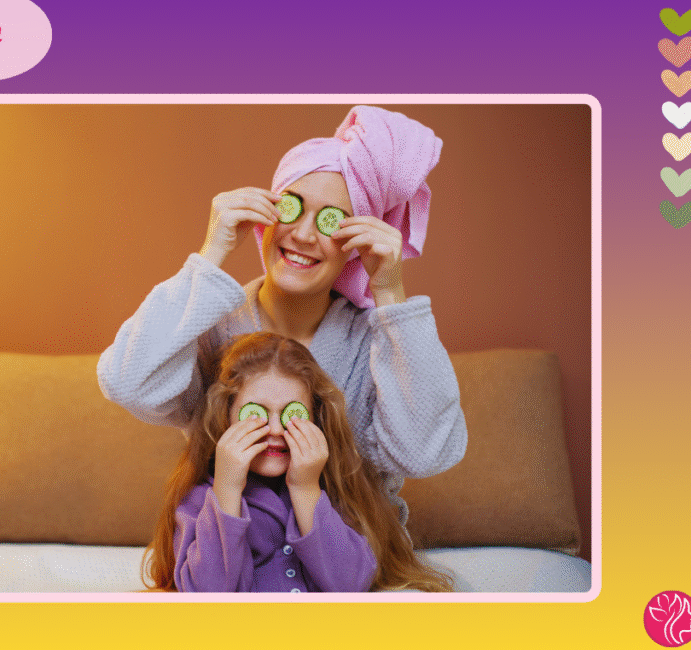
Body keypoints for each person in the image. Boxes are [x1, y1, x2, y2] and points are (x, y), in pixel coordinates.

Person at [98, 105, 466, 529]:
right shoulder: (209, 326)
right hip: (231, 556)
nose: (305, 234)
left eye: (332, 221)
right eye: (293, 207)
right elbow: (127, 383)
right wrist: (211, 254)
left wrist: (390, 292)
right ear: (268, 212)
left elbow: (426, 452)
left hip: (354, 562)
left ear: (356, 241)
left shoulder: (378, 344)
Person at [145, 332, 453, 592]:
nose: (277, 430)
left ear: (315, 419)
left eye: (292, 413)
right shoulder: (200, 500)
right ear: (226, 418)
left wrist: (305, 489)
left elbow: (351, 585)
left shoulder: (332, 493)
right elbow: (205, 594)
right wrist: (227, 488)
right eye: (256, 413)